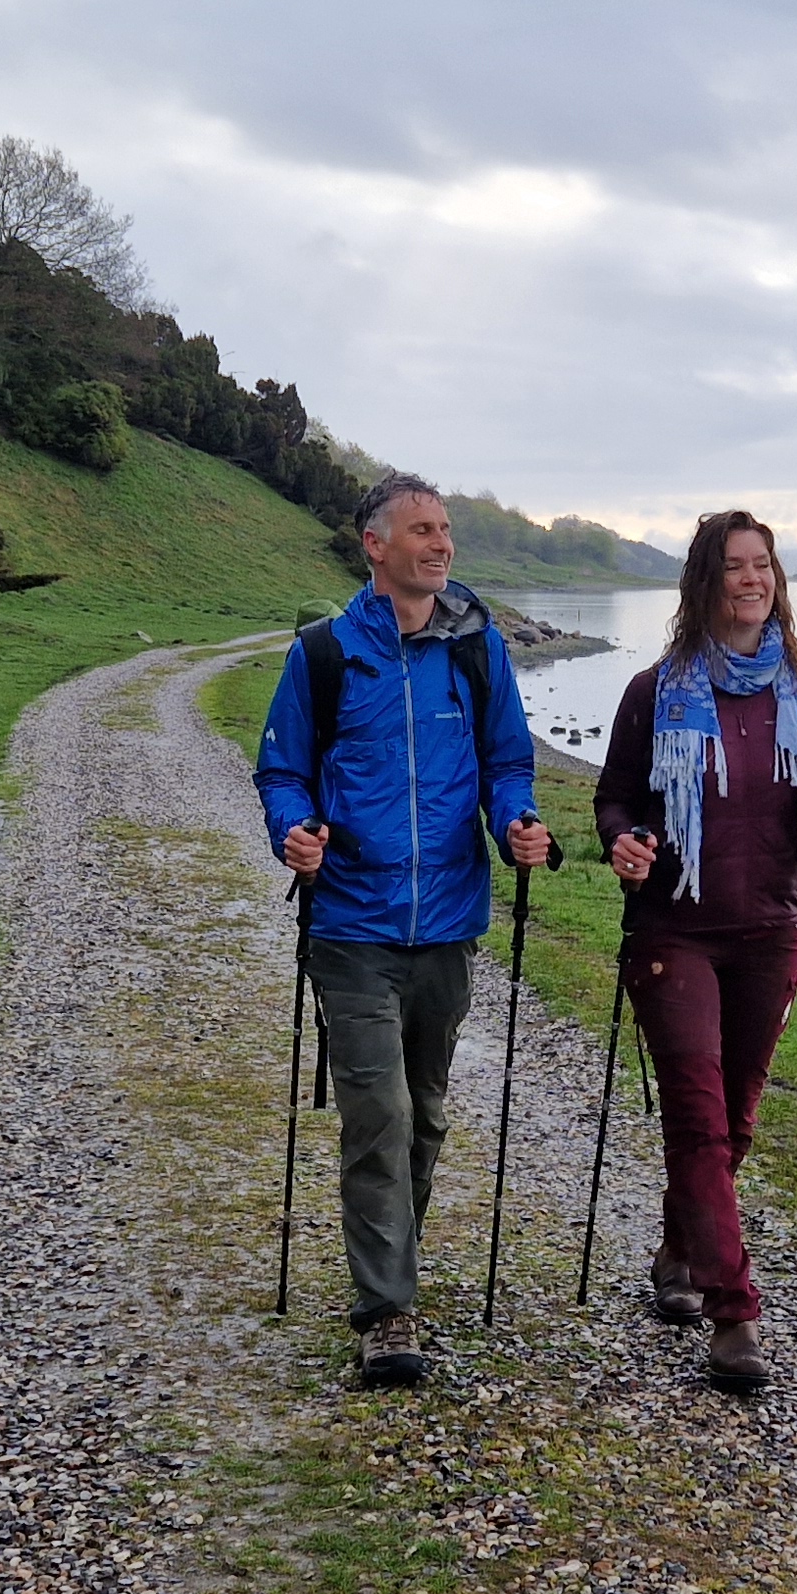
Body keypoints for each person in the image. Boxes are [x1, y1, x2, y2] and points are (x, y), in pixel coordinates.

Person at [590, 510, 797, 1393]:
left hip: (772, 929)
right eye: (733, 566)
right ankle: (735, 1315)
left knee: (731, 1127)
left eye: (762, 564)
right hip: (673, 930)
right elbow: (614, 800)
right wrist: (626, 842)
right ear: (705, 582)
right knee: (696, 1116)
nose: (751, 579)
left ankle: (678, 1251)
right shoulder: (655, 691)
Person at [253, 473, 557, 1388]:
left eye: (447, 530)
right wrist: (294, 833)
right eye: (422, 530)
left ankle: (396, 1264)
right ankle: (386, 1311)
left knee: (422, 1113)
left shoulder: (477, 650)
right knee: (377, 1115)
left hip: (450, 922)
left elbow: (509, 761)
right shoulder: (323, 655)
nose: (441, 544)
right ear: (374, 545)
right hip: (351, 923)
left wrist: (517, 824)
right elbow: (281, 773)